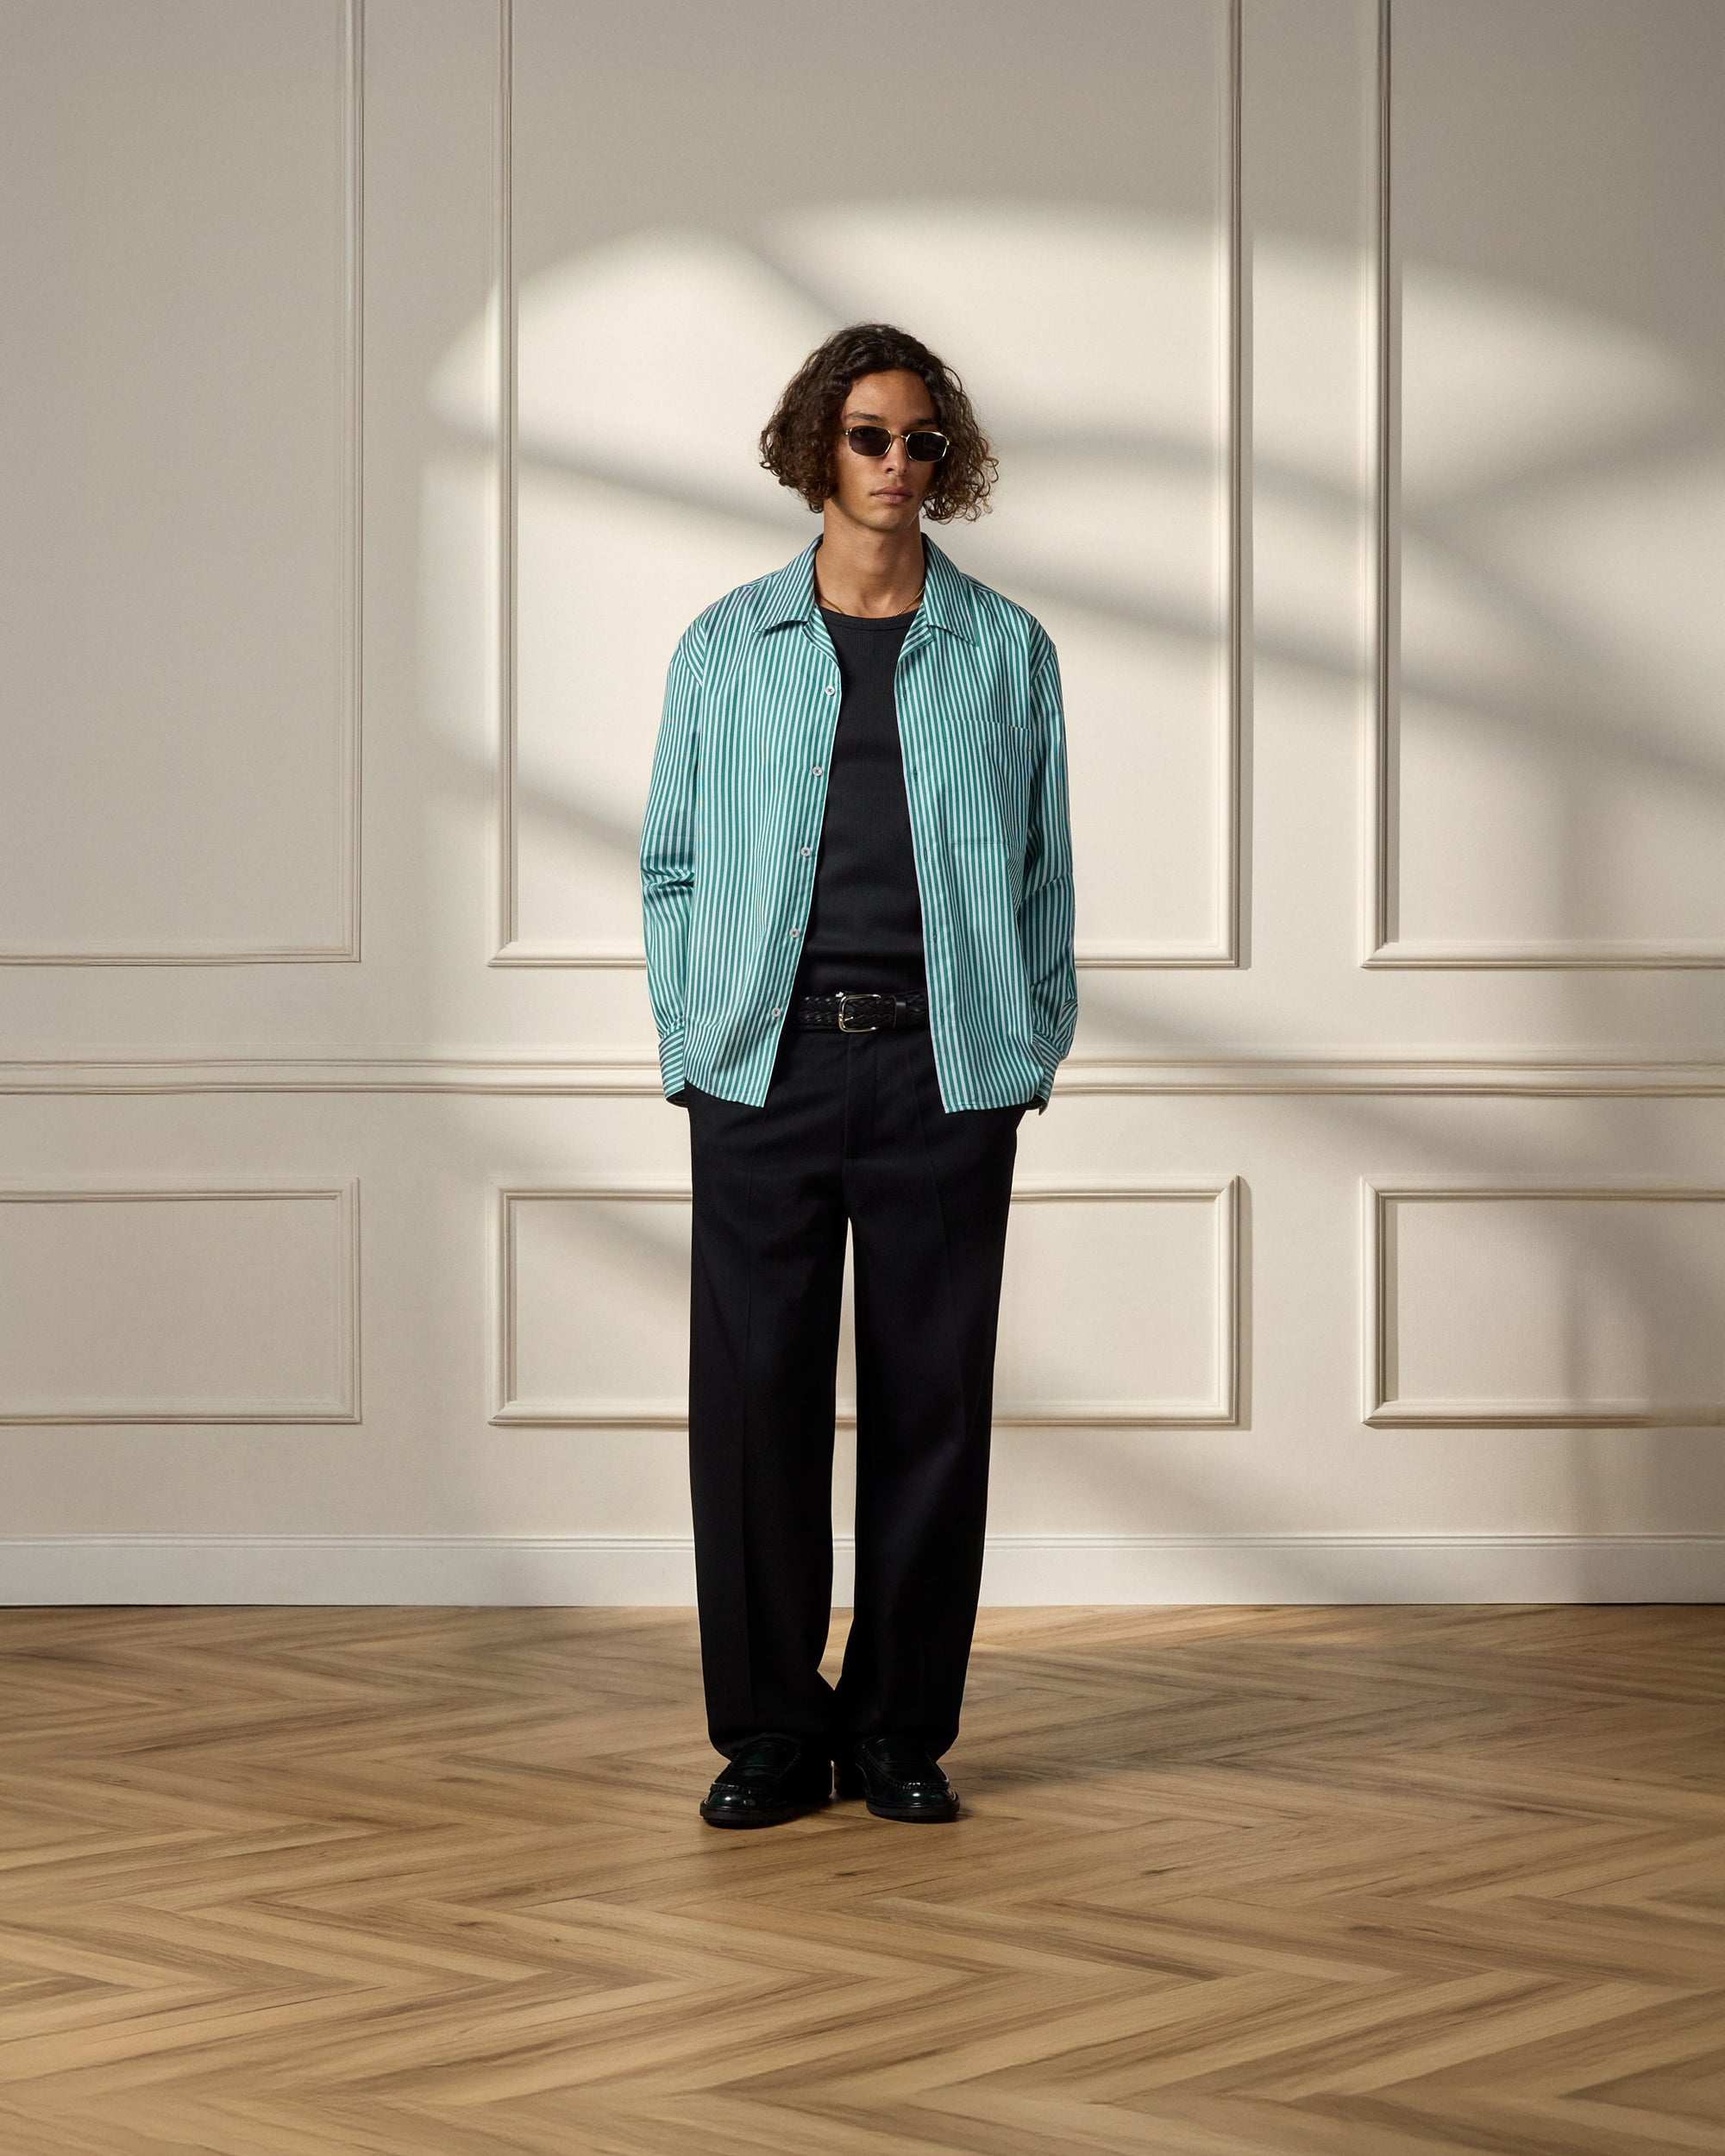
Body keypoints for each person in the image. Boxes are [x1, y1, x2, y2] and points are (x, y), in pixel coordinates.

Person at [639, 322, 1076, 1827]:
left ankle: (897, 1728)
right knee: (753, 1406)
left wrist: (1025, 1043)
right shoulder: (725, 647)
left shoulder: (1007, 651)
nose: (899, 465)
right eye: (871, 437)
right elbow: (671, 867)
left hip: (944, 1076)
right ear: (818, 446)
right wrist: (697, 1038)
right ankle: (769, 1731)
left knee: (931, 1411)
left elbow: (1043, 875)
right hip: (761, 1071)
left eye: (923, 442)